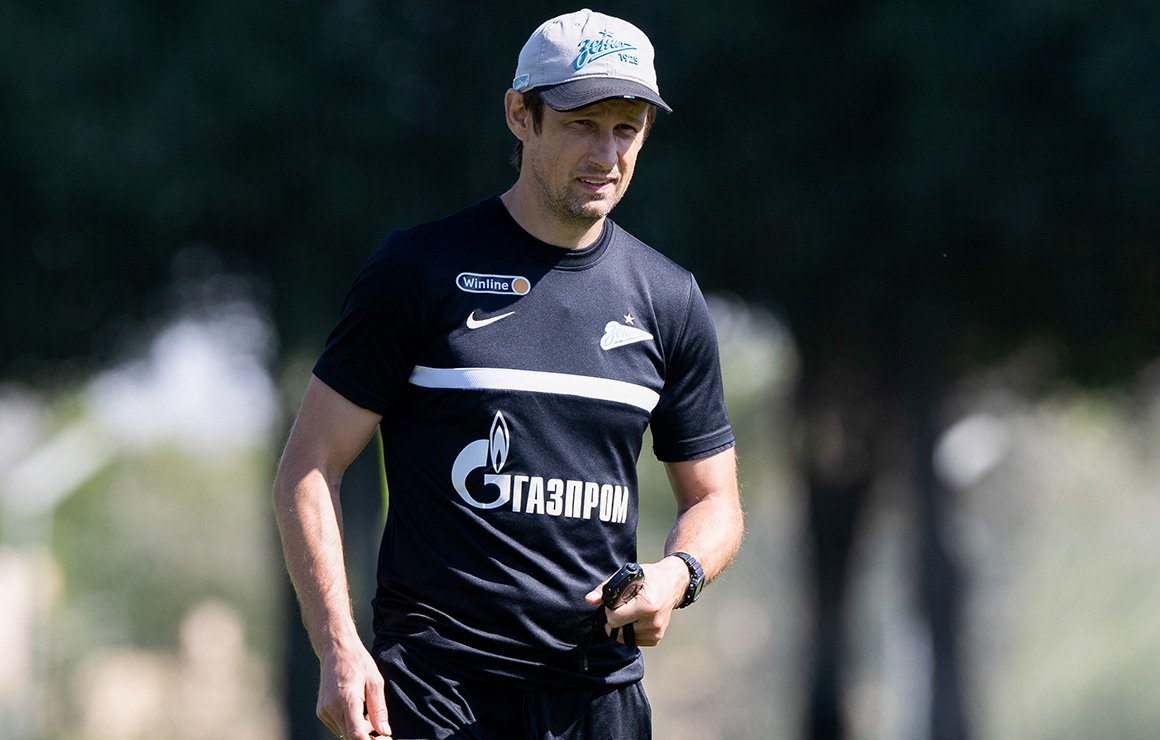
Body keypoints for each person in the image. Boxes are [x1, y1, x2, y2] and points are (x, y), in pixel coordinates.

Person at [273, 9, 744, 740]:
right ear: (520, 115)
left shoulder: (669, 298)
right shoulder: (416, 271)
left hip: (599, 698)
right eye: (583, 124)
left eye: (627, 128)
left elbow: (715, 500)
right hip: (434, 692)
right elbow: (308, 467)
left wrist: (677, 575)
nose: (607, 153)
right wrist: (338, 645)